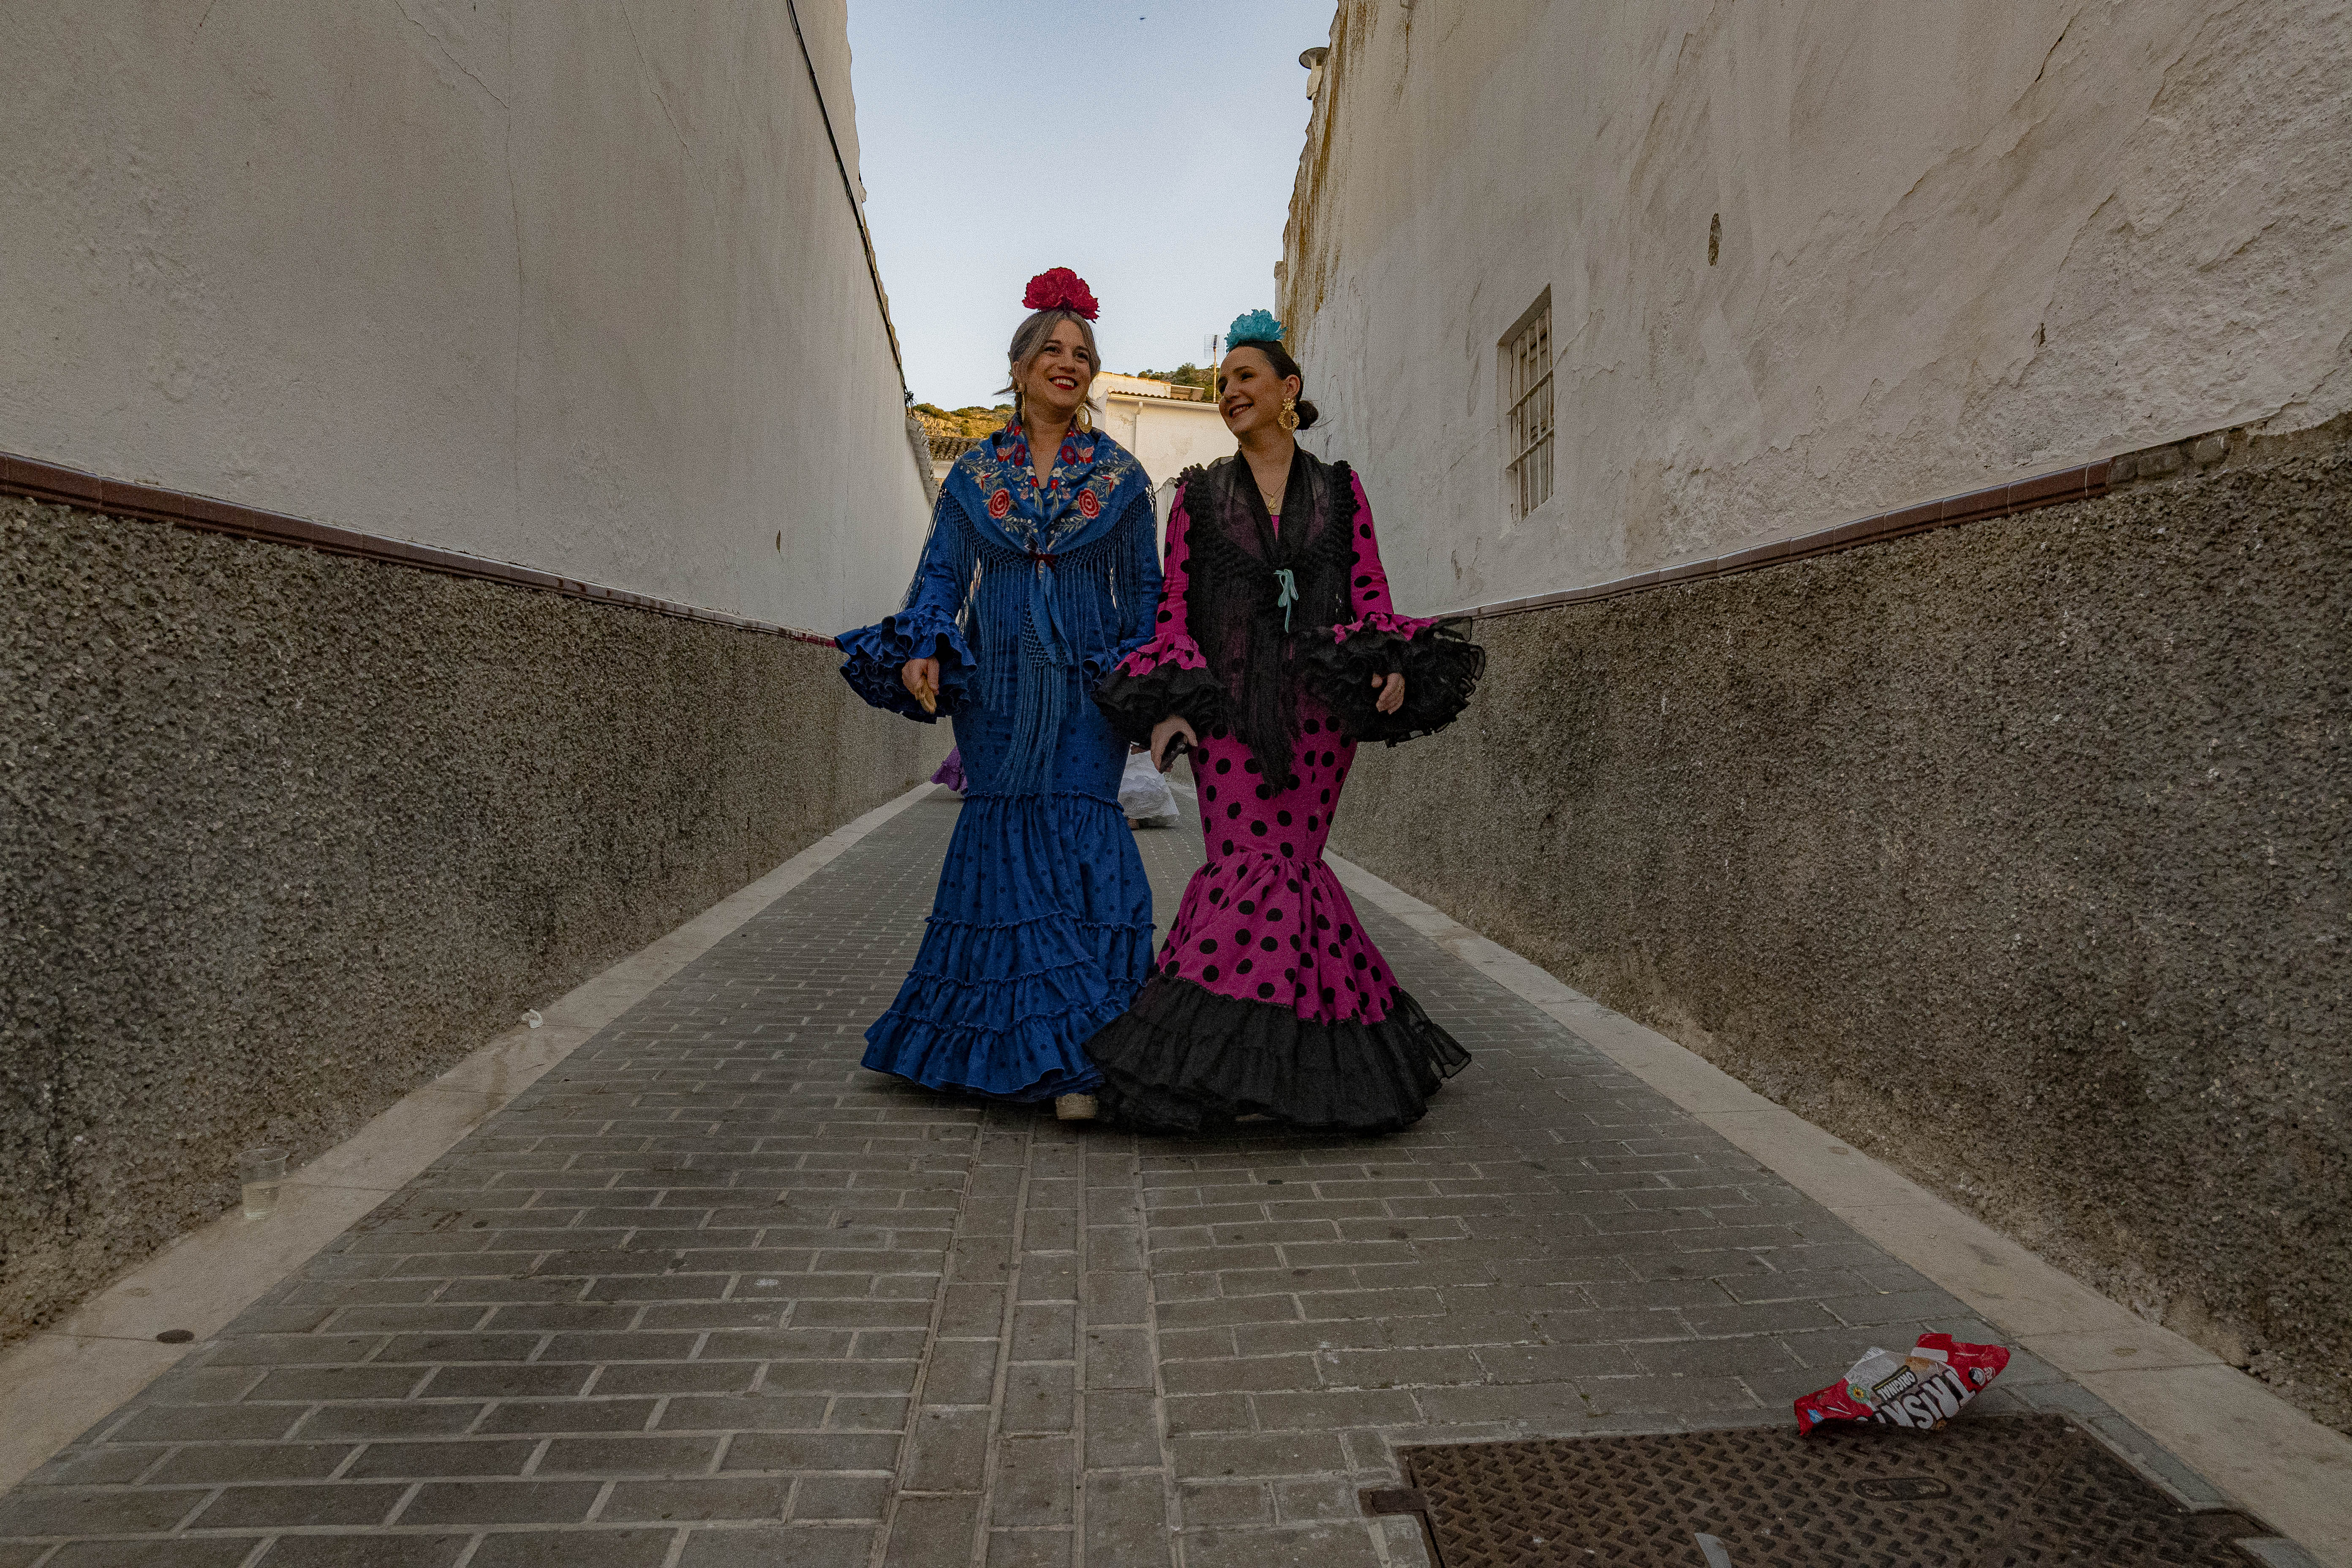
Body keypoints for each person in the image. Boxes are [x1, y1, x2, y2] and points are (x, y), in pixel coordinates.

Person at [1088, 310, 1485, 1134]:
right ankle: (1234, 1067)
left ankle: (1272, 1066)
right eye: (1222, 382)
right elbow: (1175, 608)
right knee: (1246, 869)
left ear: (1287, 390)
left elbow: (1369, 589)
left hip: (1318, 716)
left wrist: (1389, 665)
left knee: (1293, 870)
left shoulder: (1340, 489)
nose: (1229, 391)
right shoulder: (1197, 496)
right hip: (1228, 717)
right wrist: (1171, 708)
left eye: (1246, 377)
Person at [837, 270, 1162, 1120]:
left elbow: (1147, 595)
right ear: (1019, 367)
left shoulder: (1124, 478)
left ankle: (1088, 1050)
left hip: (1089, 688)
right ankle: (1039, 1054)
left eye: (1082, 353)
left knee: (1084, 829)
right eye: (1052, 349)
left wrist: (1142, 687)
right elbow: (942, 574)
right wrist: (925, 642)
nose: (1069, 362)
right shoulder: (974, 474)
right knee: (1009, 839)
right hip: (999, 690)